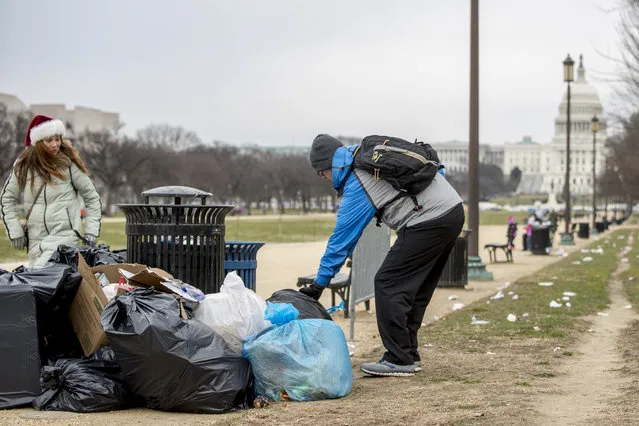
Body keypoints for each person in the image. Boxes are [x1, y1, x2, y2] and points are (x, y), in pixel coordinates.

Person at [300, 134, 464, 377]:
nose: (323, 178)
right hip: (452, 210)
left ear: (328, 166)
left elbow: (341, 241)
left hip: (428, 220)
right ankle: (408, 354)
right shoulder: (370, 157)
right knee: (415, 288)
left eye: (320, 173)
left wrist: (318, 285)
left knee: (387, 282)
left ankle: (399, 358)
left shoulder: (359, 179)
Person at [1, 115, 102, 268]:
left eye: (57, 139)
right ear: (38, 142)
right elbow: (7, 198)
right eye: (49, 140)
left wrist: (91, 230)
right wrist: (15, 231)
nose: (55, 144)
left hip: (65, 238)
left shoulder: (68, 163)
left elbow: (92, 197)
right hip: (35, 241)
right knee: (40, 286)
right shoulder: (23, 165)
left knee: (43, 278)